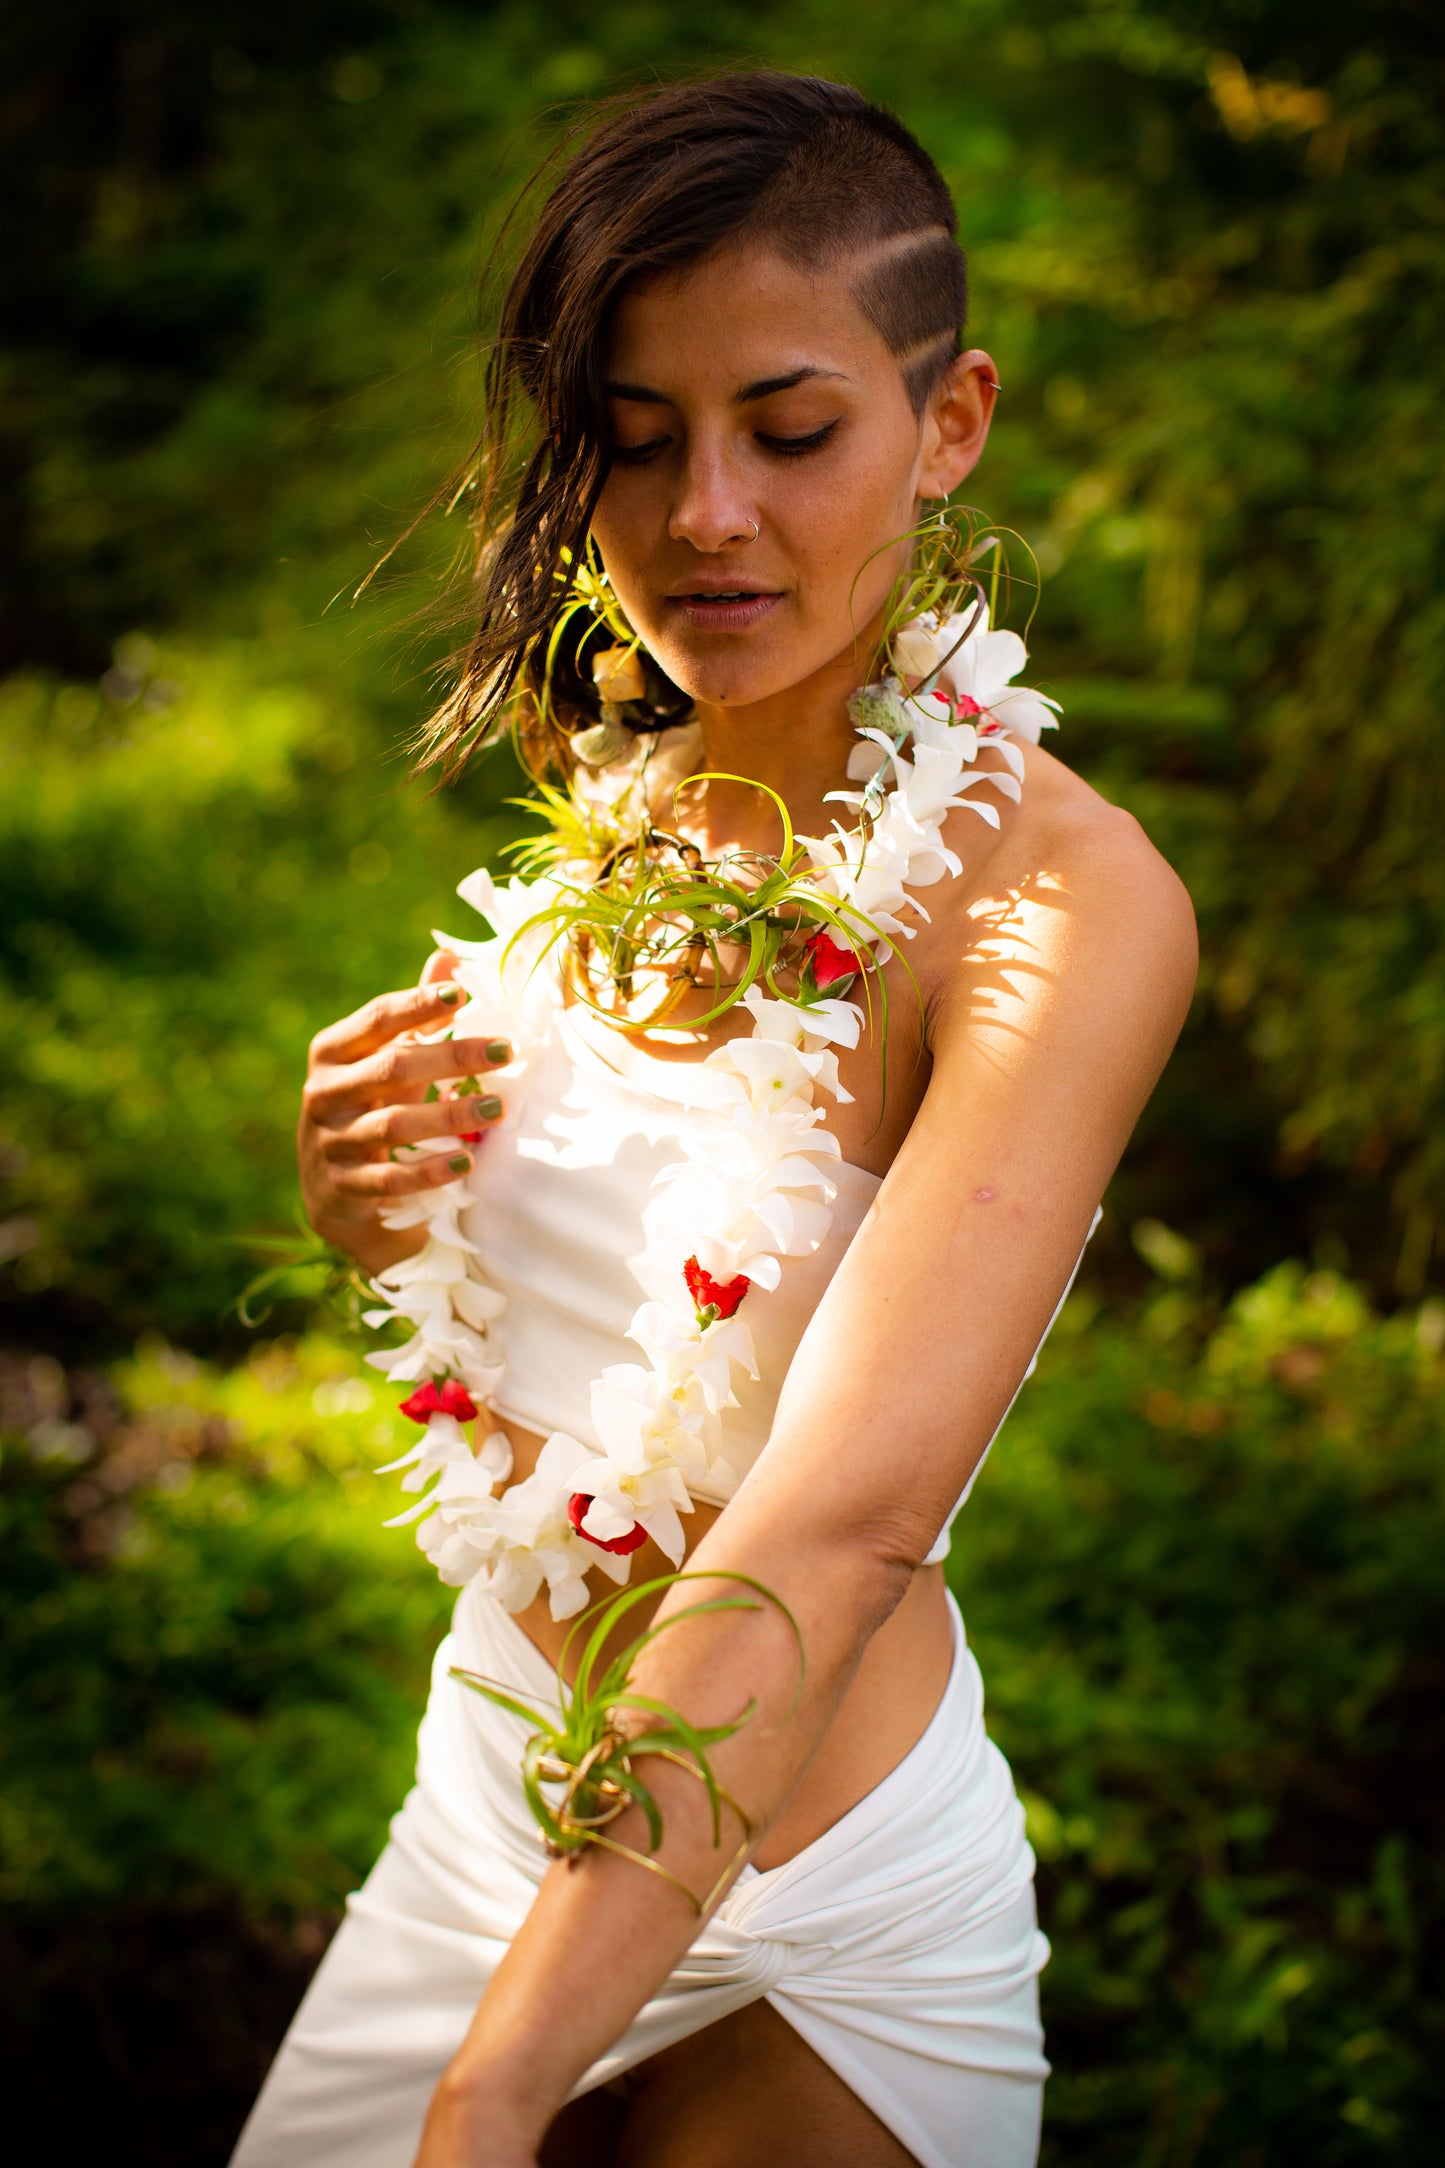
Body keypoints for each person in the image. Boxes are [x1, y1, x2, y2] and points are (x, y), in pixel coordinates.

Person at [233, 71, 1196, 2168]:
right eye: (634, 436)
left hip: (811, 1897)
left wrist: (497, 2086)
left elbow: (831, 1522)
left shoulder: (1059, 901)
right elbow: (601, 1338)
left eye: (791, 425)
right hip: (493, 1795)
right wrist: (378, 1220)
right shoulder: (630, 793)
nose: (704, 514)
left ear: (949, 424)